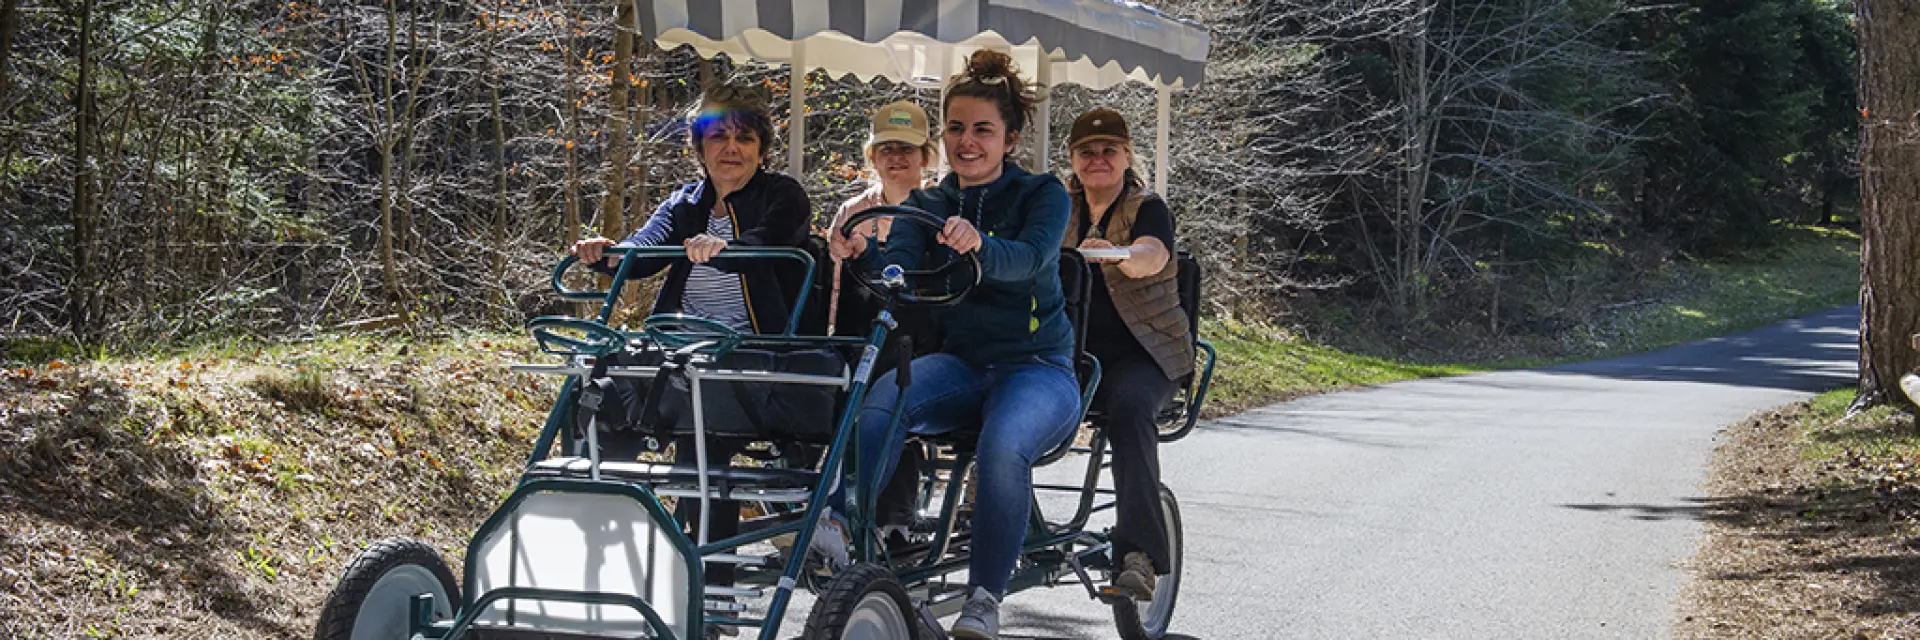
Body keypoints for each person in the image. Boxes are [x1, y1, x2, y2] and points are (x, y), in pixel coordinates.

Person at [823, 49, 1077, 640]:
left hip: (1038, 367)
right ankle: (843, 531)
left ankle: (985, 597)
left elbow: (1027, 260)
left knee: (1002, 445)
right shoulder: (931, 200)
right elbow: (903, 274)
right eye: (957, 128)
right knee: (884, 401)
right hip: (965, 364)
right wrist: (866, 255)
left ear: (1010, 137)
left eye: (983, 130)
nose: (968, 141)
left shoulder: (1042, 194)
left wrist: (978, 242)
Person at [567, 83, 811, 625]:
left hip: (755, 354)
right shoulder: (686, 203)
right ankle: (600, 549)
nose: (731, 148)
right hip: (681, 350)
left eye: (744, 138)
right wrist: (605, 255)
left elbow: (775, 240)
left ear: (762, 148)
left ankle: (709, 598)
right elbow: (645, 248)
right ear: (699, 149)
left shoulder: (781, 194)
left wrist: (726, 250)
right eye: (717, 137)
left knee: (705, 445)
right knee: (600, 390)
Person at [1061, 107, 1191, 601]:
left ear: (1126, 156)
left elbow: (1153, 254)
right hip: (1072, 352)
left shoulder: (1145, 207)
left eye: (1108, 150)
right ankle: (986, 510)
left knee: (1131, 408)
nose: (1098, 159)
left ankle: (1138, 555)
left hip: (1145, 353)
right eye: (1087, 152)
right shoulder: (1060, 206)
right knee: (1009, 387)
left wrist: (1120, 255)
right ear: (1073, 159)